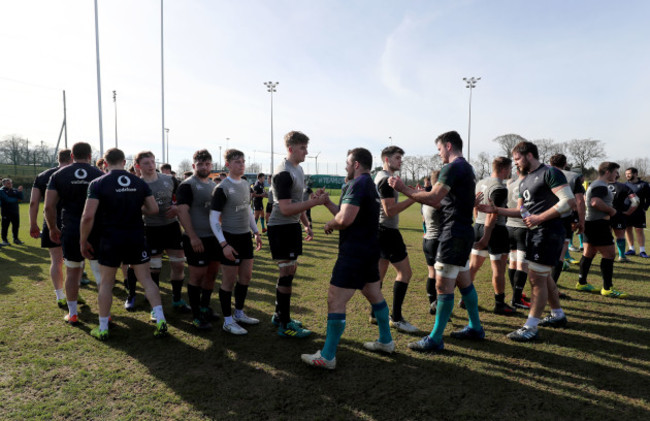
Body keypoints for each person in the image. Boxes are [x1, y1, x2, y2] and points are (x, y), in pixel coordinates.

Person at [301, 148, 395, 369]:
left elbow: (345, 219)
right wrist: (326, 203)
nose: (344, 165)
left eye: (347, 162)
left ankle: (327, 356)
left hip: (355, 253)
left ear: (355, 164)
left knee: (335, 299)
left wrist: (328, 224)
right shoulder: (368, 184)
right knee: (373, 293)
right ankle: (386, 341)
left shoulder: (357, 184)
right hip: (369, 250)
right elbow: (348, 212)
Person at [390, 131, 484, 351]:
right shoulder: (467, 168)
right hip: (462, 231)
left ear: (448, 146)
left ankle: (435, 338)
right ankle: (476, 327)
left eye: (440, 149)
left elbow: (434, 198)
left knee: (443, 286)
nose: (439, 153)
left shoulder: (452, 168)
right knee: (464, 281)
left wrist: (404, 189)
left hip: (453, 233)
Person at [478, 141, 575, 342]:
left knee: (536, 279)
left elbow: (569, 202)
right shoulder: (524, 180)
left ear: (529, 155)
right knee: (543, 276)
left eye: (517, 159)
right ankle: (557, 315)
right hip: (535, 233)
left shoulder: (550, 173)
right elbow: (523, 212)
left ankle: (531, 327)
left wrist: (540, 217)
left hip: (548, 232)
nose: (515, 164)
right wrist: (496, 210)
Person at [79, 148, 168, 340]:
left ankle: (103, 328)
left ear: (106, 162)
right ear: (123, 161)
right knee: (146, 278)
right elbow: (153, 209)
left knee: (107, 283)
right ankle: (160, 320)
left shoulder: (98, 183)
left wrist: (83, 240)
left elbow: (87, 216)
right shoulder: (138, 182)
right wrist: (135, 207)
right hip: (135, 236)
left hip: (110, 238)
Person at [267, 130, 328, 338]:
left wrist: (306, 223)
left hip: (291, 226)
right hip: (280, 226)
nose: (306, 152)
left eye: (306, 147)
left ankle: (279, 314)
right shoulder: (283, 172)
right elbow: (284, 208)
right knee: (286, 273)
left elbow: (297, 203)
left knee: (290, 270)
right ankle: (284, 324)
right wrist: (315, 202)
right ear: (291, 149)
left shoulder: (298, 169)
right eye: (302, 147)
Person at [45, 142, 104, 326]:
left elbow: (48, 206)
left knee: (72, 272)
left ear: (71, 156)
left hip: (70, 229)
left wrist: (53, 228)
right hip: (95, 229)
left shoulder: (58, 174)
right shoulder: (100, 174)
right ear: (90, 155)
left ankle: (73, 314)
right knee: (100, 274)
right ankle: (105, 315)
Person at [209, 149, 263, 335]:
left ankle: (239, 313)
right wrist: (224, 244)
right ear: (228, 165)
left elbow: (248, 210)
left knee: (246, 277)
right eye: (237, 162)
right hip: (229, 238)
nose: (241, 164)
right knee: (228, 281)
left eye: (243, 161)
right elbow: (214, 220)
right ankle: (227, 320)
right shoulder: (222, 188)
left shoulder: (246, 184)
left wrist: (256, 232)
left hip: (244, 237)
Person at [134, 151, 190, 313]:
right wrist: (148, 210)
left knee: (178, 265)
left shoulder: (169, 179)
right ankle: (155, 305)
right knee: (155, 268)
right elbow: (134, 207)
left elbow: (183, 197)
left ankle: (177, 299)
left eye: (152, 162)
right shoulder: (137, 184)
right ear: (138, 166)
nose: (151, 166)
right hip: (150, 229)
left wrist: (176, 206)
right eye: (146, 163)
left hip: (172, 227)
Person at [373, 146, 418, 333]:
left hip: (380, 230)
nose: (400, 161)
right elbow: (389, 210)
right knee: (405, 273)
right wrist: (414, 198)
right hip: (388, 232)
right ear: (386, 159)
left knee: (380, 273)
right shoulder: (386, 180)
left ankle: (374, 313)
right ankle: (396, 318)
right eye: (397, 158)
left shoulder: (380, 176)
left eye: (401, 158)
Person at [176, 149, 221, 330]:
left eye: (207, 164)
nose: (204, 167)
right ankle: (196, 316)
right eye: (200, 164)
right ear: (194, 166)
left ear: (211, 165)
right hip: (196, 239)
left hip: (214, 239)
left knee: (211, 275)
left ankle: (205, 307)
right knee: (196, 276)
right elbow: (182, 212)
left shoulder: (213, 186)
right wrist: (193, 236)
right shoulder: (187, 185)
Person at [469, 157, 516, 315]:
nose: (511, 171)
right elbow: (493, 213)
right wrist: (486, 237)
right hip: (495, 231)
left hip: (478, 226)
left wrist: (479, 227)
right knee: (498, 269)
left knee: (473, 267)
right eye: (510, 168)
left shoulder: (480, 183)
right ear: (503, 169)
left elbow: (476, 208)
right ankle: (499, 304)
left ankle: (465, 298)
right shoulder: (499, 187)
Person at [576, 162, 627, 298]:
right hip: (598, 225)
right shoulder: (601, 186)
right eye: (616, 171)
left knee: (589, 253)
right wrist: (613, 211)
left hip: (591, 223)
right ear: (608, 172)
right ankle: (607, 288)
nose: (617, 175)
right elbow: (595, 202)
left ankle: (582, 282)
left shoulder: (595, 184)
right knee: (609, 255)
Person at [29, 149, 72, 307]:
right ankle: (73, 294)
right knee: (74, 261)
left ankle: (60, 295)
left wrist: (33, 224)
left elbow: (34, 202)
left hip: (50, 221)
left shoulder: (42, 176)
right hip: (71, 221)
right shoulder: (74, 173)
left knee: (56, 261)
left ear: (58, 159)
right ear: (72, 159)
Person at [549, 154, 586, 297]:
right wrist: (581, 221)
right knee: (560, 255)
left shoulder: (541, 173)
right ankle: (552, 289)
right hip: (563, 218)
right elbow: (580, 201)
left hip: (542, 218)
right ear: (565, 163)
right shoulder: (573, 176)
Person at [506, 167, 531, 309]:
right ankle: (516, 299)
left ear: (516, 172)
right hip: (523, 228)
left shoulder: (510, 185)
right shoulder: (529, 185)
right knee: (522, 264)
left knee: (513, 263)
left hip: (509, 226)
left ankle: (517, 293)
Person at [422, 170, 441, 315]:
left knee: (431, 273)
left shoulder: (426, 199)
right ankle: (439, 304)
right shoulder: (438, 201)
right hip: (438, 241)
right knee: (444, 276)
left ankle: (432, 303)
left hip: (428, 239)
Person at [608, 173, 639, 262]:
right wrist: (629, 212)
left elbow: (586, 198)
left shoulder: (600, 185)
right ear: (618, 176)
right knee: (620, 236)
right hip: (618, 214)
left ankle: (608, 255)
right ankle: (621, 256)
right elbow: (636, 201)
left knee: (607, 236)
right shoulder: (623, 186)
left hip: (604, 214)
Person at [624, 167, 650, 257]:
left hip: (639, 212)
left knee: (639, 230)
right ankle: (631, 249)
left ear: (635, 174)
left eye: (629, 173)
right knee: (628, 229)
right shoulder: (625, 185)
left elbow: (649, 198)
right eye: (626, 174)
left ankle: (642, 251)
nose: (627, 175)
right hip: (627, 212)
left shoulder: (644, 185)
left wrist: (645, 208)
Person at [1, 178, 24, 245]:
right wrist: (17, 200)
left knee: (16, 226)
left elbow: (21, 198)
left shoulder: (14, 190)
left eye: (11, 183)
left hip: (15, 212)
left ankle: (16, 239)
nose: (10, 184)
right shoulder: (1, 191)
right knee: (5, 227)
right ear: (4, 184)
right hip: (6, 212)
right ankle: (5, 240)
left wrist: (20, 191)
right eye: (8, 183)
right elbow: (8, 200)